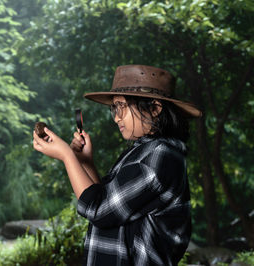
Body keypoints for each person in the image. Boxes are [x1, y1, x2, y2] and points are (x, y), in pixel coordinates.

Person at [32, 65, 202, 265]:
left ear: (155, 108)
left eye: (122, 107)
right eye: (114, 108)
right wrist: (85, 162)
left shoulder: (159, 155)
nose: (116, 117)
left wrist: (68, 156)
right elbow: (110, 206)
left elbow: (98, 210)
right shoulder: (145, 150)